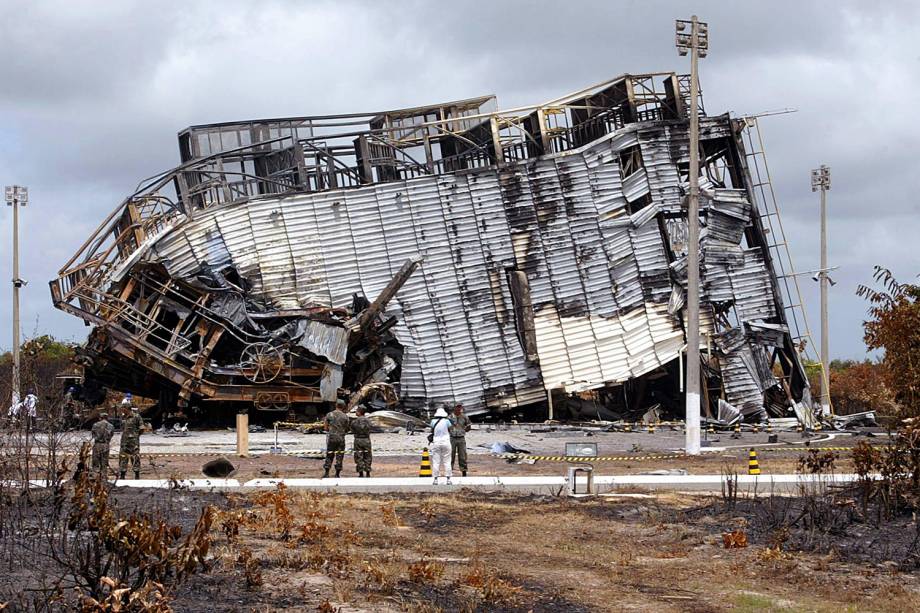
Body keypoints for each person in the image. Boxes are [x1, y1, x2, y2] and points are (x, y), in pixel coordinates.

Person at [323, 399, 350, 478]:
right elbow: (347, 428)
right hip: (341, 438)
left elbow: (325, 428)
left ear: (336, 405)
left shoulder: (329, 415)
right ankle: (337, 473)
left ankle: (327, 472)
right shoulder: (345, 417)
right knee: (340, 455)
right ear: (343, 406)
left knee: (329, 454)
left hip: (332, 437)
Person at [429, 406, 453, 485]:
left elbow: (432, 430)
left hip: (436, 442)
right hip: (446, 441)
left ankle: (435, 479)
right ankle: (448, 479)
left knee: (436, 461)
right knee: (447, 461)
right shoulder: (447, 421)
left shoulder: (433, 421)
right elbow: (451, 430)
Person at [119, 406, 144, 480]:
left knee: (135, 457)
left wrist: (136, 435)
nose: (122, 410)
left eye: (123, 409)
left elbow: (142, 428)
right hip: (124, 441)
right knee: (123, 457)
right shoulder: (123, 417)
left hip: (133, 442)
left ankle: (137, 475)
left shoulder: (136, 416)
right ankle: (122, 475)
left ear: (127, 409)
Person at [350, 404, 373, 478]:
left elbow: (352, 430)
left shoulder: (354, 422)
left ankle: (360, 473)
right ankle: (368, 472)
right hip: (366, 440)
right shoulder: (369, 421)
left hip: (358, 440)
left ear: (359, 412)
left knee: (359, 456)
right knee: (368, 456)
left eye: (356, 411)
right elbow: (370, 429)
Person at [449, 403, 472, 477]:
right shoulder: (450, 417)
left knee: (462, 455)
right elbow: (446, 426)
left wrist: (464, 430)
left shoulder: (464, 417)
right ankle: (449, 471)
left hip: (461, 438)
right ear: (454, 408)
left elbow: (469, 426)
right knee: (451, 455)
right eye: (457, 407)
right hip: (452, 438)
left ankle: (464, 471)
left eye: (460, 407)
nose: (459, 408)